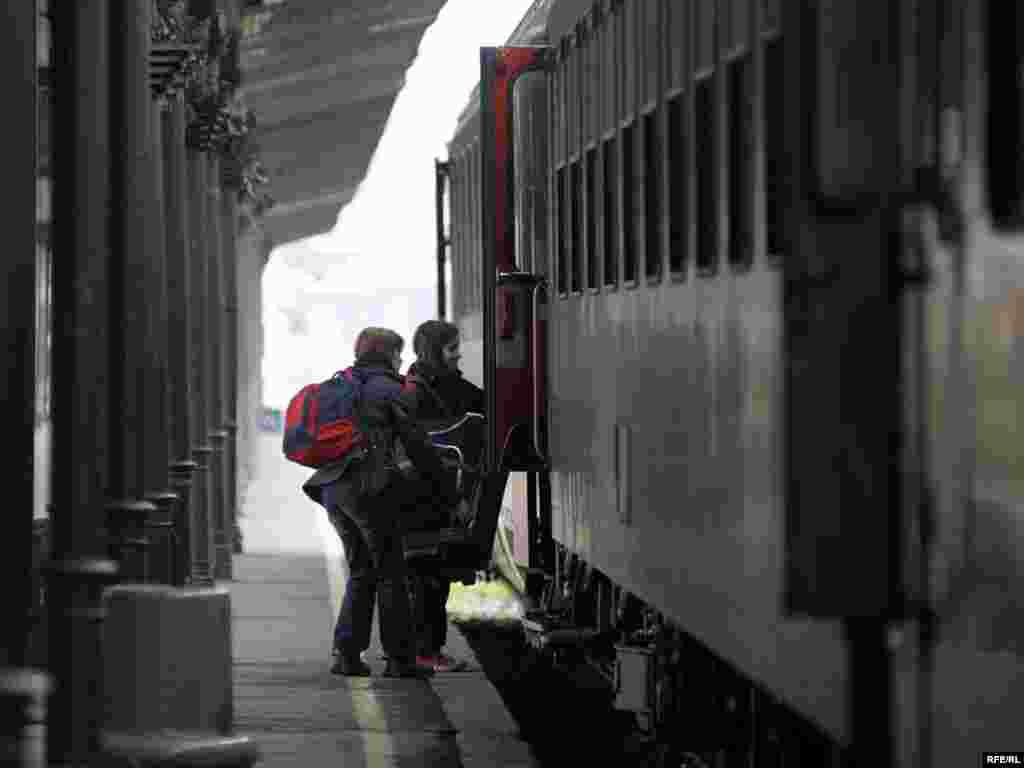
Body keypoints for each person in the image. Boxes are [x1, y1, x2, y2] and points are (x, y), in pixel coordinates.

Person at [303, 327, 457, 678]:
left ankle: (347, 655)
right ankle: (400, 659)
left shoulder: (340, 383)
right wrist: (447, 490)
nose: (402, 361)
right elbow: (417, 445)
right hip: (368, 492)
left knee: (361, 570)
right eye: (398, 354)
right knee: (392, 572)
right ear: (388, 355)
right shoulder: (390, 390)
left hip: (332, 490)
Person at [401, 320, 485, 674]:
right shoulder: (443, 391)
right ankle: (427, 652)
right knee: (429, 578)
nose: (458, 354)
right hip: (430, 496)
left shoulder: (411, 385)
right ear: (435, 351)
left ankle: (421, 650)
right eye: (452, 348)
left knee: (424, 575)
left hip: (417, 494)